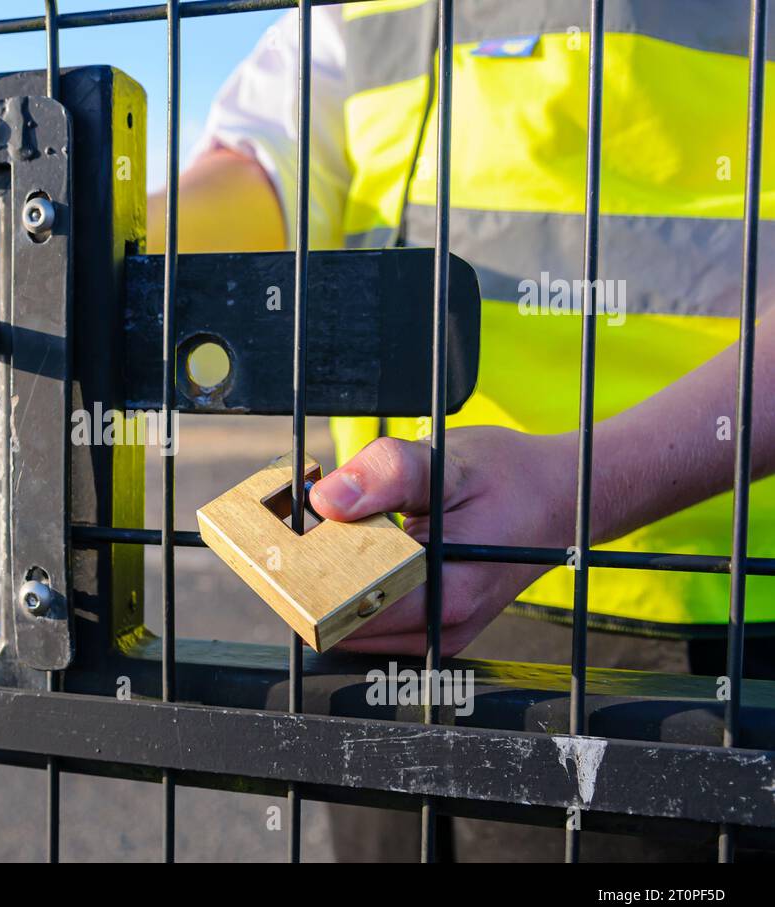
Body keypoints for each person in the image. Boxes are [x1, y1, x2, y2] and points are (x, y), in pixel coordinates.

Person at [151, 1, 774, 860]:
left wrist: (571, 488)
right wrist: (103, 252)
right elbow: (269, 170)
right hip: (388, 601)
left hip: (694, 628)